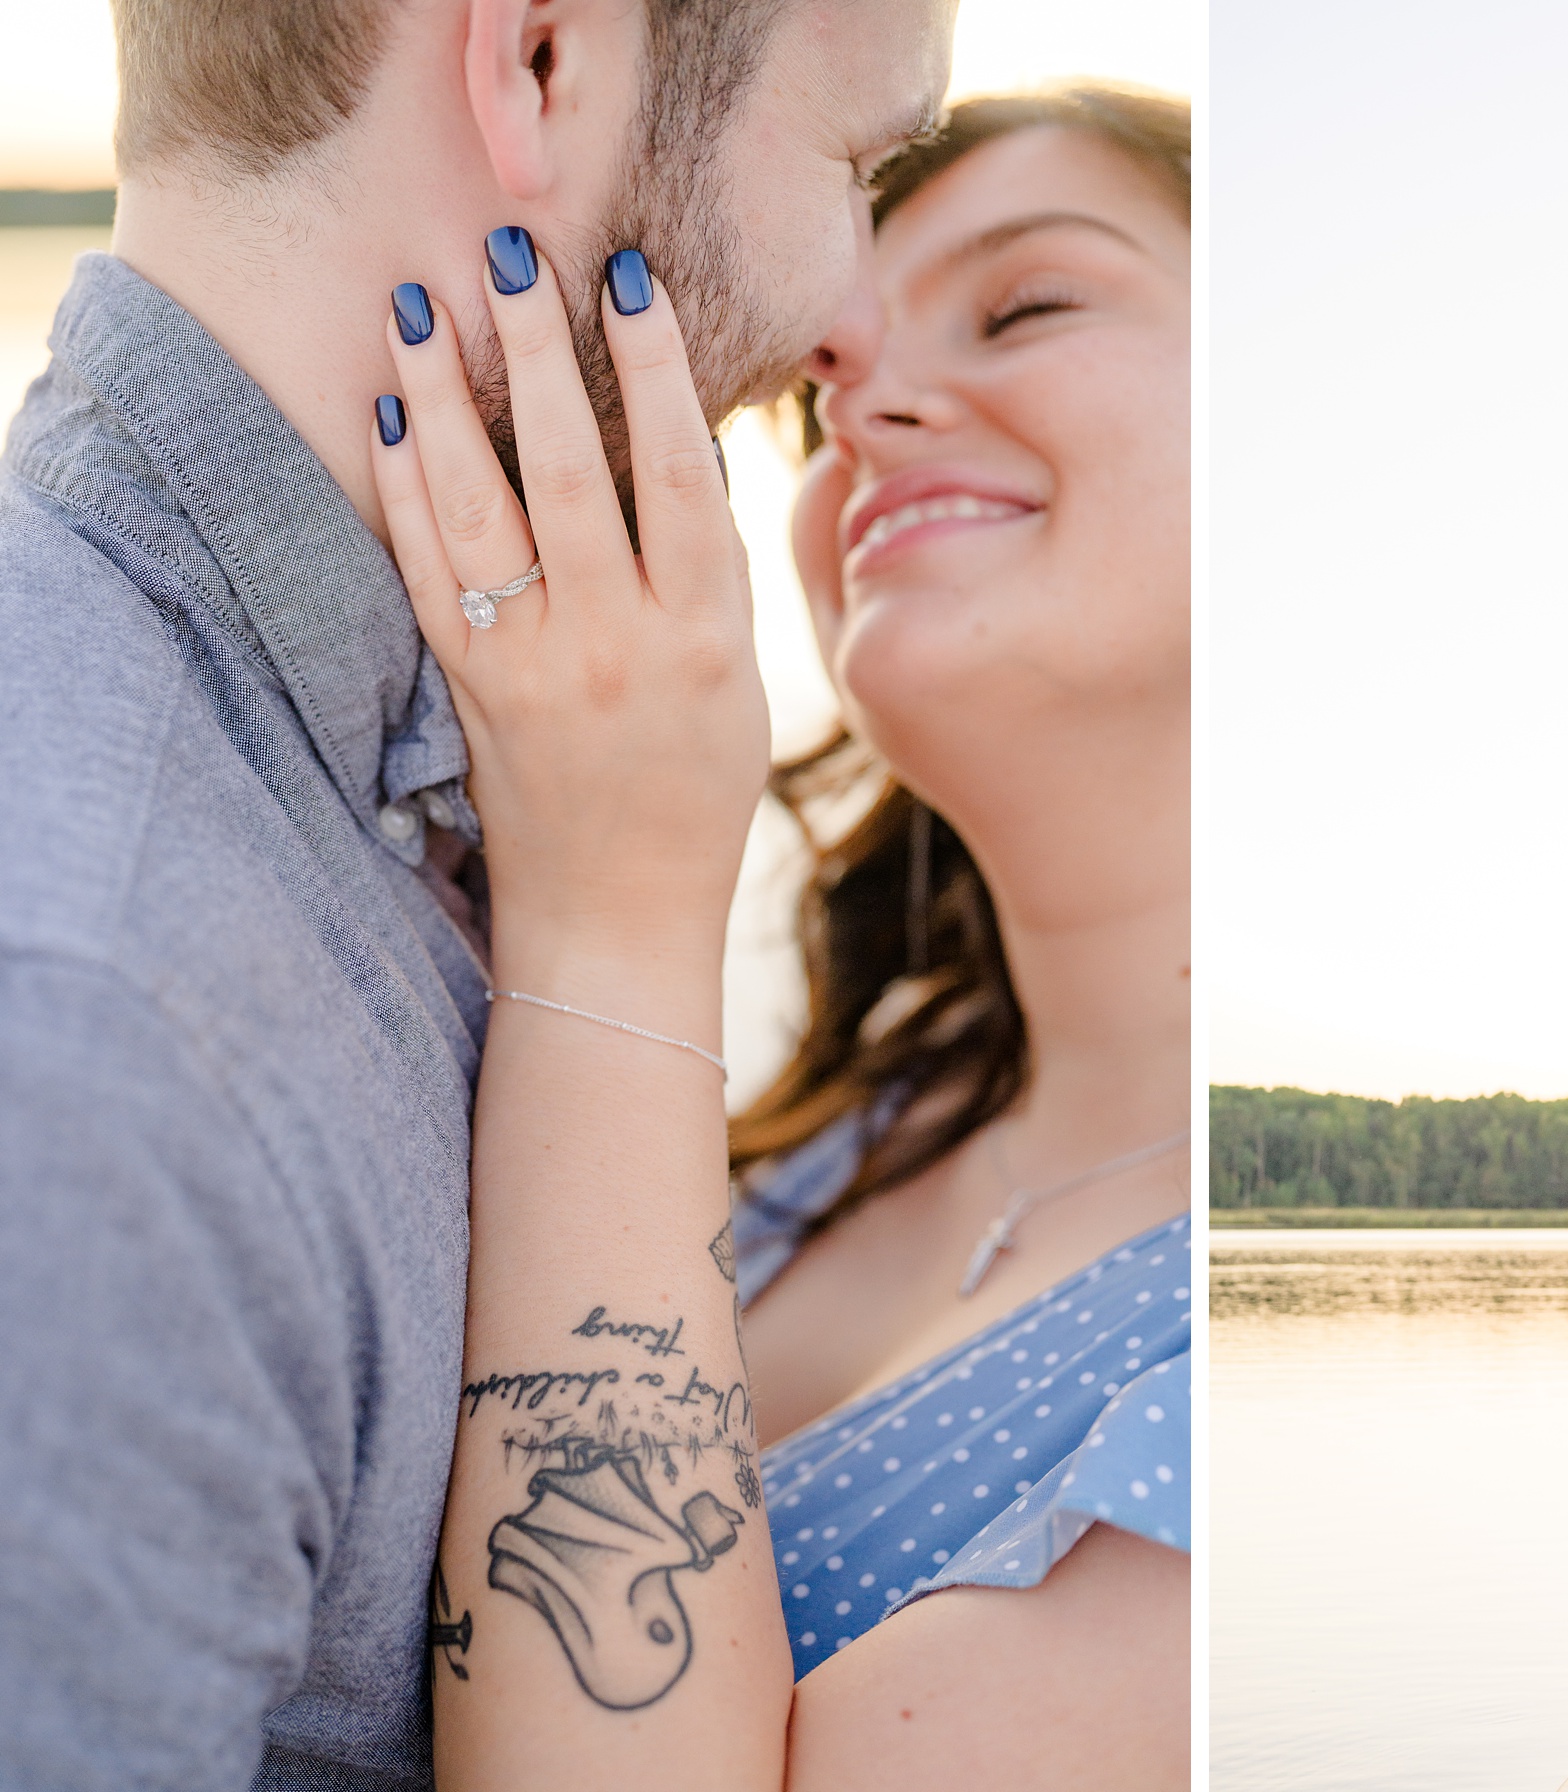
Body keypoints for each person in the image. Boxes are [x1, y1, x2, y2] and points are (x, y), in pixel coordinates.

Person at [0, 2, 952, 1784]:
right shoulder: (98, 1050)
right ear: (536, 64)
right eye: (858, 161)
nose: (858, 331)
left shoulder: (380, 804)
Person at [368, 88, 1189, 1786]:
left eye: (1027, 303)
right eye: (821, 403)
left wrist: (612, 912)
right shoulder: (854, 1123)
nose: (866, 409)